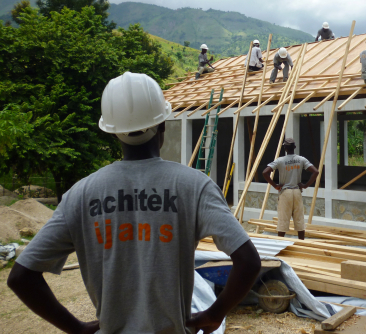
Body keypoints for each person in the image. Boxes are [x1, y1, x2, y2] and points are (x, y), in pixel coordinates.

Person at [8, 72, 261, 334]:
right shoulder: (194, 186)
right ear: (163, 123)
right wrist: (214, 314)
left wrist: (77, 328)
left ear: (112, 132)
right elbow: (249, 261)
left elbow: (21, 277)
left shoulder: (81, 194)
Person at [262, 138, 318, 240]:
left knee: (283, 220)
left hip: (285, 192)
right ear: (295, 147)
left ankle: (280, 243)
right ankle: (301, 244)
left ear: (285, 148)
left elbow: (265, 172)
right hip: (297, 192)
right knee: (299, 220)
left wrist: (275, 185)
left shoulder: (280, 160)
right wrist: (305, 185)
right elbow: (316, 172)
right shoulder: (301, 159)